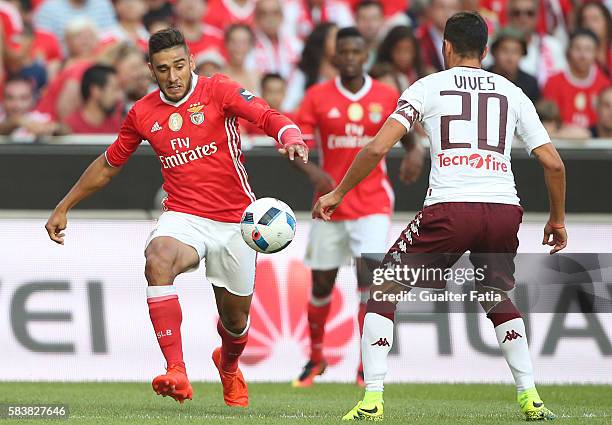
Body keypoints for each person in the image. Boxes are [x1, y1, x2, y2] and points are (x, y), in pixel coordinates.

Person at [313, 11, 566, 421]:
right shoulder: (512, 91)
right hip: (503, 208)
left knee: (383, 290)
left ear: (446, 46)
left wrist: (338, 192)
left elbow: (378, 149)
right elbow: (554, 165)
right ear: (485, 51)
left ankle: (372, 400)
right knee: (495, 296)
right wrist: (557, 220)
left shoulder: (427, 86)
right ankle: (530, 397)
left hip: (451, 207)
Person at [44, 28, 308, 406]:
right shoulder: (143, 113)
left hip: (237, 223)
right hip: (183, 216)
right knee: (158, 258)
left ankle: (229, 367)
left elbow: (264, 115)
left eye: (179, 66)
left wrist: (290, 136)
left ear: (192, 62)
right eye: (163, 68)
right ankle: (176, 370)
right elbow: (108, 165)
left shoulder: (218, 90)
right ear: (151, 69)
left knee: (235, 323)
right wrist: (64, 205)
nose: (173, 76)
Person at [292, 27, 424, 389]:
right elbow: (296, 145)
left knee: (369, 281)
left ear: (365, 55)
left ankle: (366, 365)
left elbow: (411, 136)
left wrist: (414, 153)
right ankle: (316, 358)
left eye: (356, 52)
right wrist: (313, 171)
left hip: (372, 203)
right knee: (321, 282)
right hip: (329, 203)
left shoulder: (385, 95)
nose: (349, 58)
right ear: (335, 57)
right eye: (343, 52)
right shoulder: (317, 96)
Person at [543, 29, 610, 129]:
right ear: (568, 51)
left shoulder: (605, 85)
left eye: (588, 50)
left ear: (596, 53)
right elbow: (548, 122)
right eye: (578, 49)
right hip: (560, 141)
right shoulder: (553, 83)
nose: (582, 55)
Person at [507, 0, 566, 87]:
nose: (523, 18)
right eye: (517, 13)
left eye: (529, 13)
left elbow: (561, 82)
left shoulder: (552, 45)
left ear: (537, 16)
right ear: (509, 16)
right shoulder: (495, 46)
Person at [283, 22, 338, 112]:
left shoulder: (347, 71)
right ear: (321, 41)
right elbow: (290, 107)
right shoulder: (303, 72)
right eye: (334, 37)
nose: (339, 41)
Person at [63, 64, 123, 134]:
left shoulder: (118, 125)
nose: (119, 96)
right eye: (114, 89)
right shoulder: (70, 127)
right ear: (96, 91)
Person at [0, 75, 62, 142]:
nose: (16, 104)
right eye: (10, 98)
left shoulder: (40, 119)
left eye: (23, 98)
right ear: (3, 99)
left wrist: (55, 128)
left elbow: (66, 131)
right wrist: (17, 121)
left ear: (32, 100)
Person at [252, 0, 302, 79]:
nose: (270, 19)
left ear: (282, 16)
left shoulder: (296, 46)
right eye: (264, 14)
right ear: (256, 18)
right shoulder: (249, 47)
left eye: (275, 13)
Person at [488, 28, 540, 103]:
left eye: (515, 51)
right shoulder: (482, 78)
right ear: (494, 52)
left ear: (522, 54)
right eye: (504, 50)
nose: (510, 58)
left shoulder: (530, 83)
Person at [374, 25, 425, 92]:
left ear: (415, 51)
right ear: (389, 51)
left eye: (407, 50)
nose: (403, 56)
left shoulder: (424, 75)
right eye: (398, 50)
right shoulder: (382, 77)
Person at [416, 0, 461, 73]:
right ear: (430, 10)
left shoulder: (466, 39)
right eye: (441, 7)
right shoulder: (420, 38)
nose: (447, 13)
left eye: (453, 8)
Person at [221, 24, 260, 96]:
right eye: (234, 42)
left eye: (243, 42)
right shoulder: (218, 78)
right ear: (226, 44)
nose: (238, 47)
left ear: (251, 45)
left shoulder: (257, 76)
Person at [576, 1, 612, 78]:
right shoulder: (576, 59)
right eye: (584, 20)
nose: (589, 25)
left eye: (595, 19)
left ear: (607, 23)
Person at [355, 0, 386, 70]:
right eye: (363, 19)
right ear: (356, 21)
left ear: (382, 20)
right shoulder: (349, 51)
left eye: (374, 19)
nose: (369, 24)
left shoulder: (389, 51)